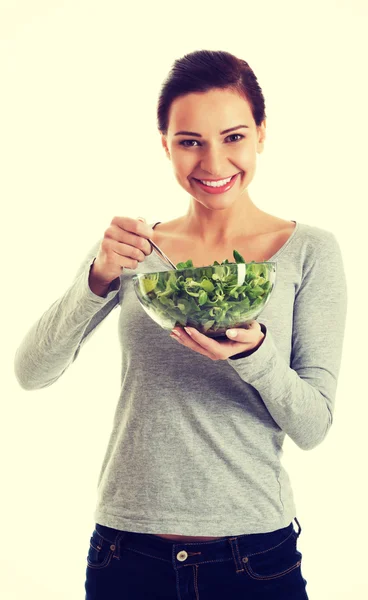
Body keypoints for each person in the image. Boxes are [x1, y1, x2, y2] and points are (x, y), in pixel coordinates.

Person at [14, 49, 347, 599]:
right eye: (190, 141)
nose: (214, 164)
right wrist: (95, 279)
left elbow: (315, 426)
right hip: (124, 552)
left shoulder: (309, 251)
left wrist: (254, 355)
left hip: (253, 556)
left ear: (262, 134)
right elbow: (31, 372)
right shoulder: (135, 251)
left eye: (234, 137)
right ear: (165, 145)